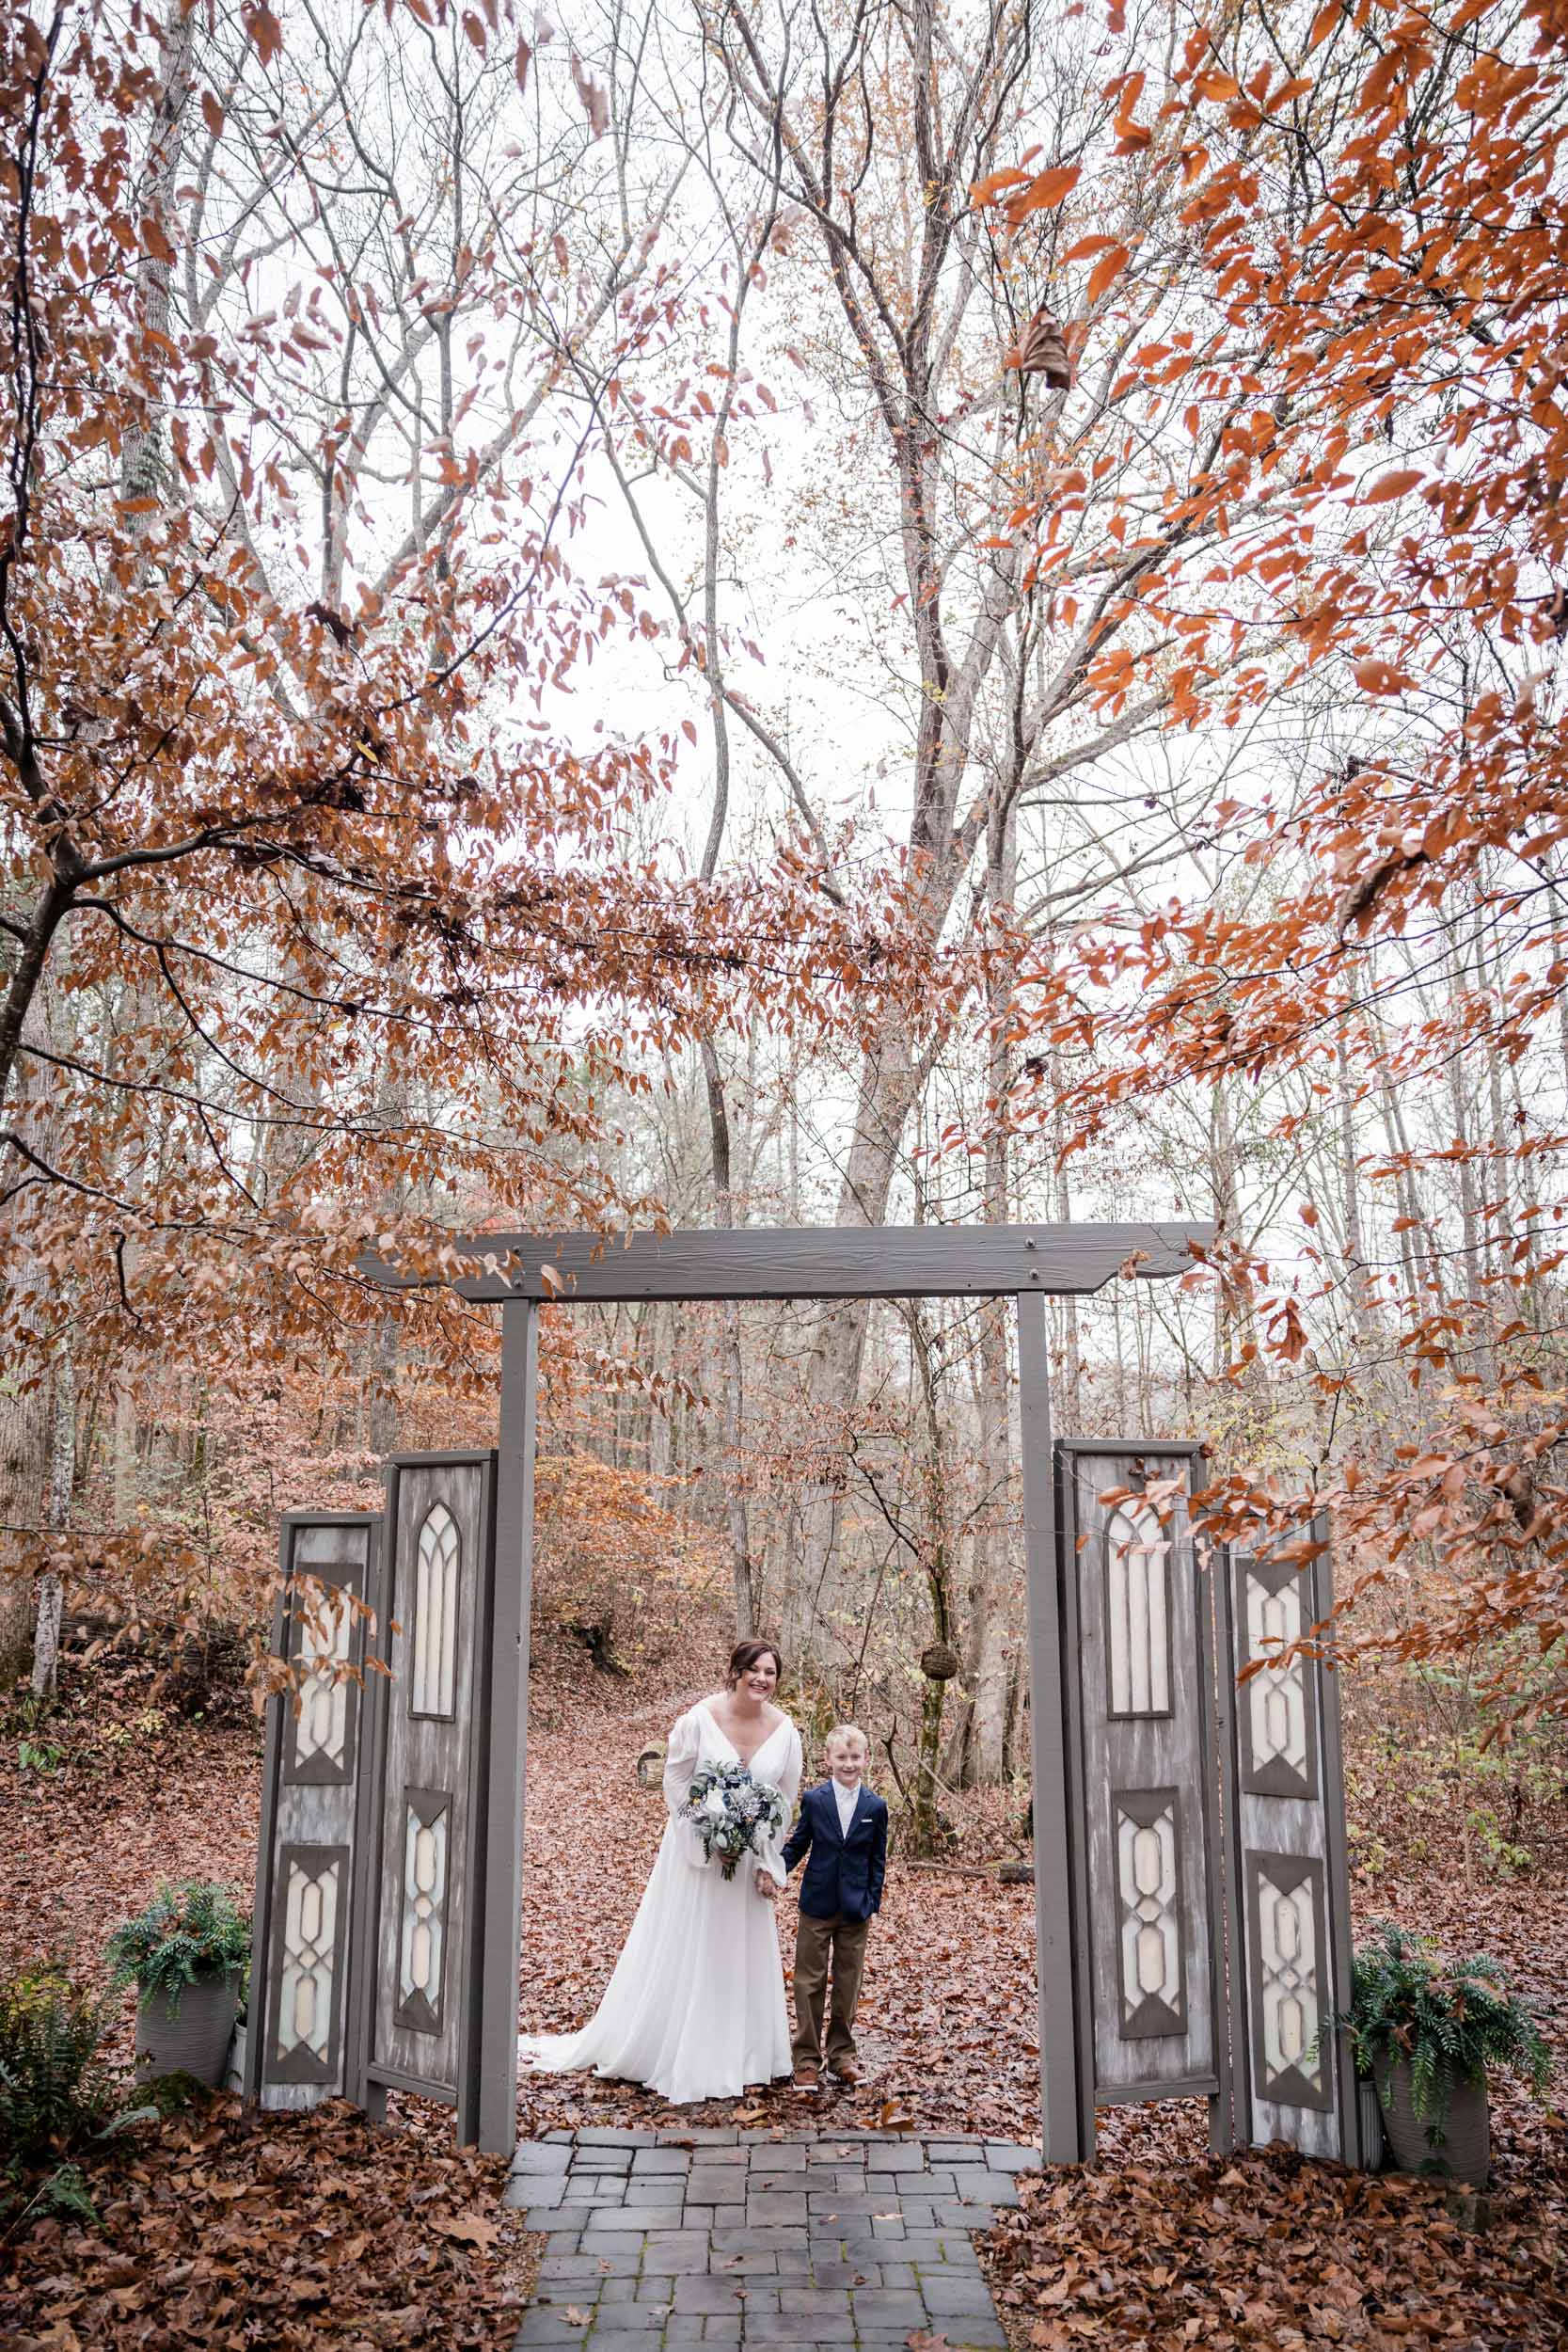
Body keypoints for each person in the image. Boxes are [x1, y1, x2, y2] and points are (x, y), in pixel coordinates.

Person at [517, 1639, 801, 2104]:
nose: (762, 1679)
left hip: (747, 1855)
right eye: (753, 1669)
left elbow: (786, 1798)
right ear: (735, 1672)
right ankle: (684, 2047)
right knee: (696, 1943)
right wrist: (703, 1829)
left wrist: (769, 1859)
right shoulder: (699, 1718)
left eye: (770, 1672)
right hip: (697, 1854)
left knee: (740, 1949)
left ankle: (746, 2055)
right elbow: (676, 1777)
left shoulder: (786, 1731)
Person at [777, 1722, 887, 2091]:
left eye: (856, 1757)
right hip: (817, 1903)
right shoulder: (815, 1800)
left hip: (856, 1909)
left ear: (867, 1760)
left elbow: (877, 1859)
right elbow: (798, 1844)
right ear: (828, 1759)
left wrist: (871, 1900)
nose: (849, 1764)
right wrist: (775, 1870)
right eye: (842, 1757)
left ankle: (842, 2055)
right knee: (808, 1981)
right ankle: (806, 2059)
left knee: (847, 1982)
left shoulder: (876, 1806)